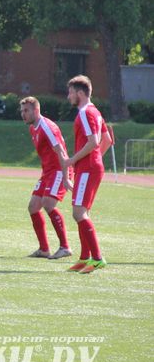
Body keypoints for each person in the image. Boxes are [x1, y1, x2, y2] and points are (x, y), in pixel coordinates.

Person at [60, 75, 113, 274]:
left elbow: (94, 141)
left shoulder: (84, 112)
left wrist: (71, 161)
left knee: (79, 213)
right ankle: (84, 258)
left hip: (87, 168)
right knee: (82, 213)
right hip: (91, 167)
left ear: (80, 93)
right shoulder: (95, 111)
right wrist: (96, 160)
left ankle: (97, 258)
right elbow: (106, 140)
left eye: (71, 92)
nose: (68, 96)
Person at [20, 97, 72, 259]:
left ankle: (65, 247)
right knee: (33, 206)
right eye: (22, 111)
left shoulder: (47, 127)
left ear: (36, 110)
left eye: (26, 110)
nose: (23, 114)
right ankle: (44, 249)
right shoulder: (33, 128)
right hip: (48, 172)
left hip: (59, 170)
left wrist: (66, 177)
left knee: (48, 203)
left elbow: (61, 153)